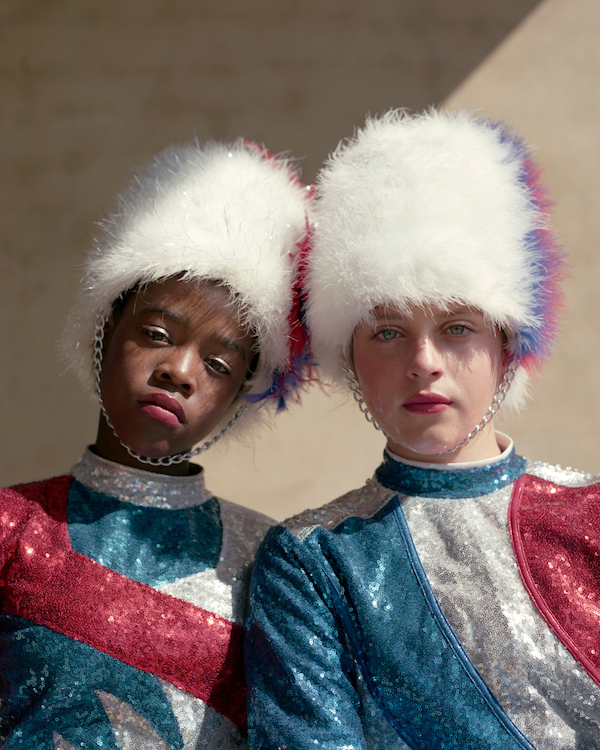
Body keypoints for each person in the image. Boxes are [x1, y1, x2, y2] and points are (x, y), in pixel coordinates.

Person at [245, 110, 600, 749]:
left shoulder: (593, 515)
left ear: (509, 346)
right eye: (387, 332)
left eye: (458, 327)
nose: (424, 362)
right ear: (349, 359)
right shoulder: (313, 561)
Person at [0, 139, 312, 749]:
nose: (181, 371)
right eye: (156, 334)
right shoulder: (12, 527)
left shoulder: (270, 560)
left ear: (235, 400)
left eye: (219, 364)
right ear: (104, 333)